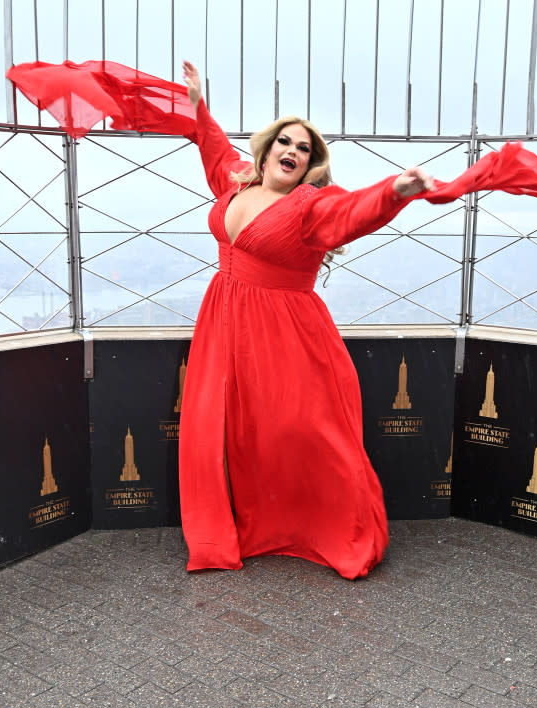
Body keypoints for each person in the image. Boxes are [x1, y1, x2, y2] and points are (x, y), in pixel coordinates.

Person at [178, 60, 435, 580]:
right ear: (267, 148)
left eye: (305, 149)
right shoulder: (235, 181)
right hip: (224, 322)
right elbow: (211, 148)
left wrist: (395, 191)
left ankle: (339, 527)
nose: (293, 152)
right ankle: (253, 526)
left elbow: (355, 212)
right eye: (286, 143)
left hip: (287, 331)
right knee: (234, 430)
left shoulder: (310, 207)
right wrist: (198, 104)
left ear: (311, 164)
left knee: (308, 430)